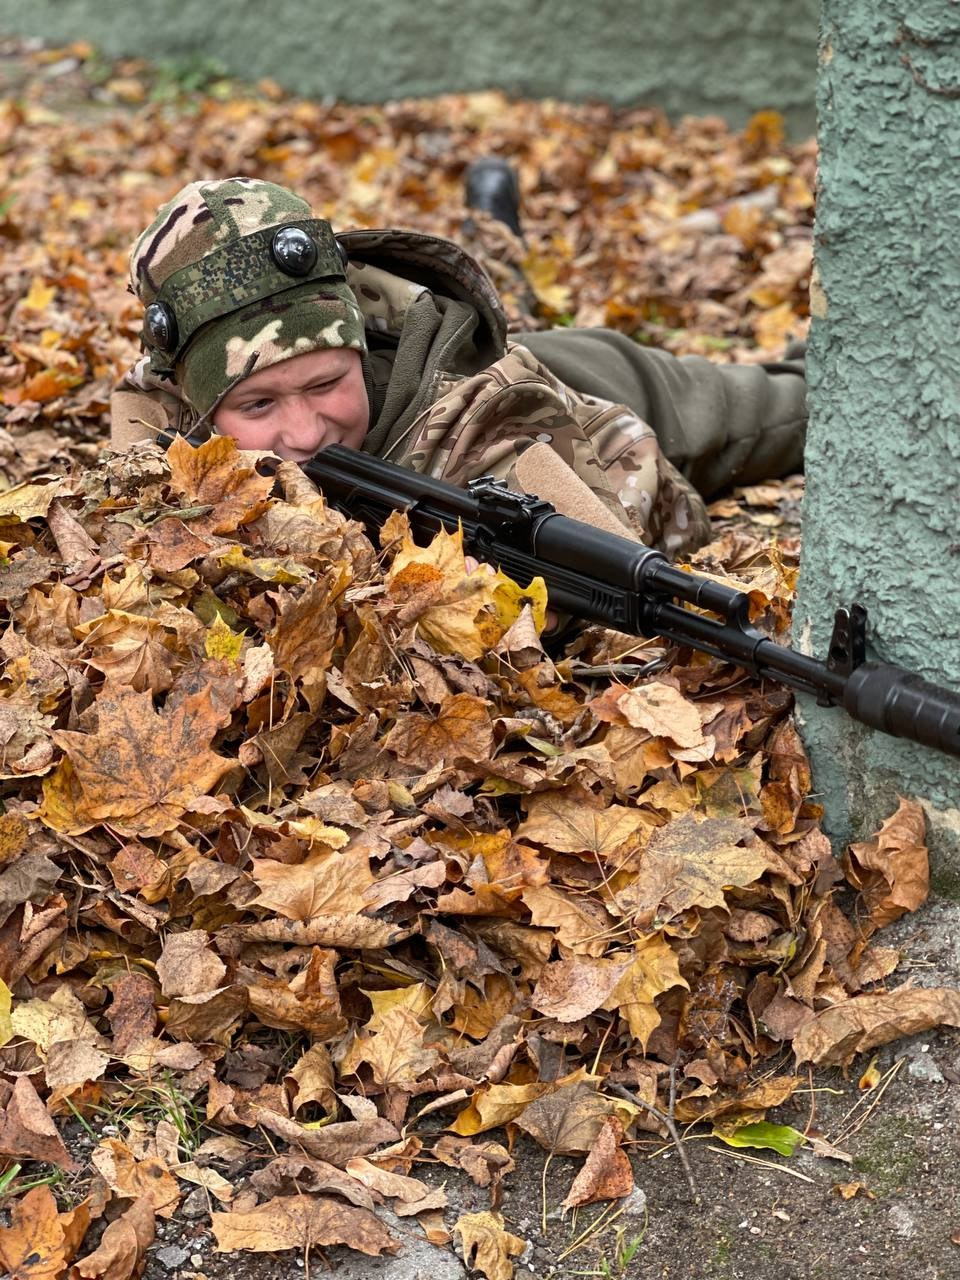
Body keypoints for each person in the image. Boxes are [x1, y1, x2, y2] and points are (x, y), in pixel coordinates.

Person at [111, 176, 806, 557]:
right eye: (258, 405)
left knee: (808, 404)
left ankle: (494, 221)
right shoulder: (171, 429)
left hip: (597, 382)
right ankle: (493, 219)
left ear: (357, 353)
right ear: (200, 407)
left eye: (325, 384)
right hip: (428, 328)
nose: (304, 431)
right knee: (501, 282)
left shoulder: (486, 420)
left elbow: (628, 535)